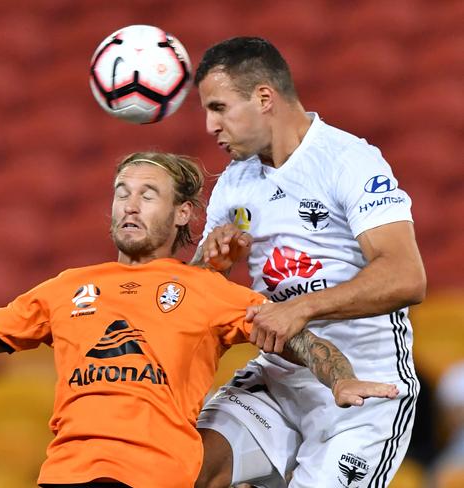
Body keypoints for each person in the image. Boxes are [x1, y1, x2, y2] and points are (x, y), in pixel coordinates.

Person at [0, 152, 398, 488]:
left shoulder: (204, 291)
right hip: (65, 477)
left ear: (182, 214)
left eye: (148, 193)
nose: (129, 203)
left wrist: (339, 378)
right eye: (121, 191)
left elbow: (296, 335)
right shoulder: (66, 289)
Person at [191, 37, 427, 488]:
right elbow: (196, 295)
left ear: (264, 97)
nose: (209, 126)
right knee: (189, 469)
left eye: (219, 108)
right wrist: (214, 270)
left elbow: (406, 276)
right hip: (277, 377)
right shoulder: (233, 183)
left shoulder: (348, 161)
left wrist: (302, 307)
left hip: (365, 391)